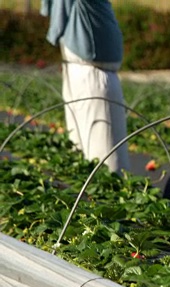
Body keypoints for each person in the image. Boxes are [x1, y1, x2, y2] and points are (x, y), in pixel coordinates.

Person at [41, 0, 130, 174]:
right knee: (82, 149)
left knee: (105, 160)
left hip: (94, 74)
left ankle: (108, 197)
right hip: (79, 69)